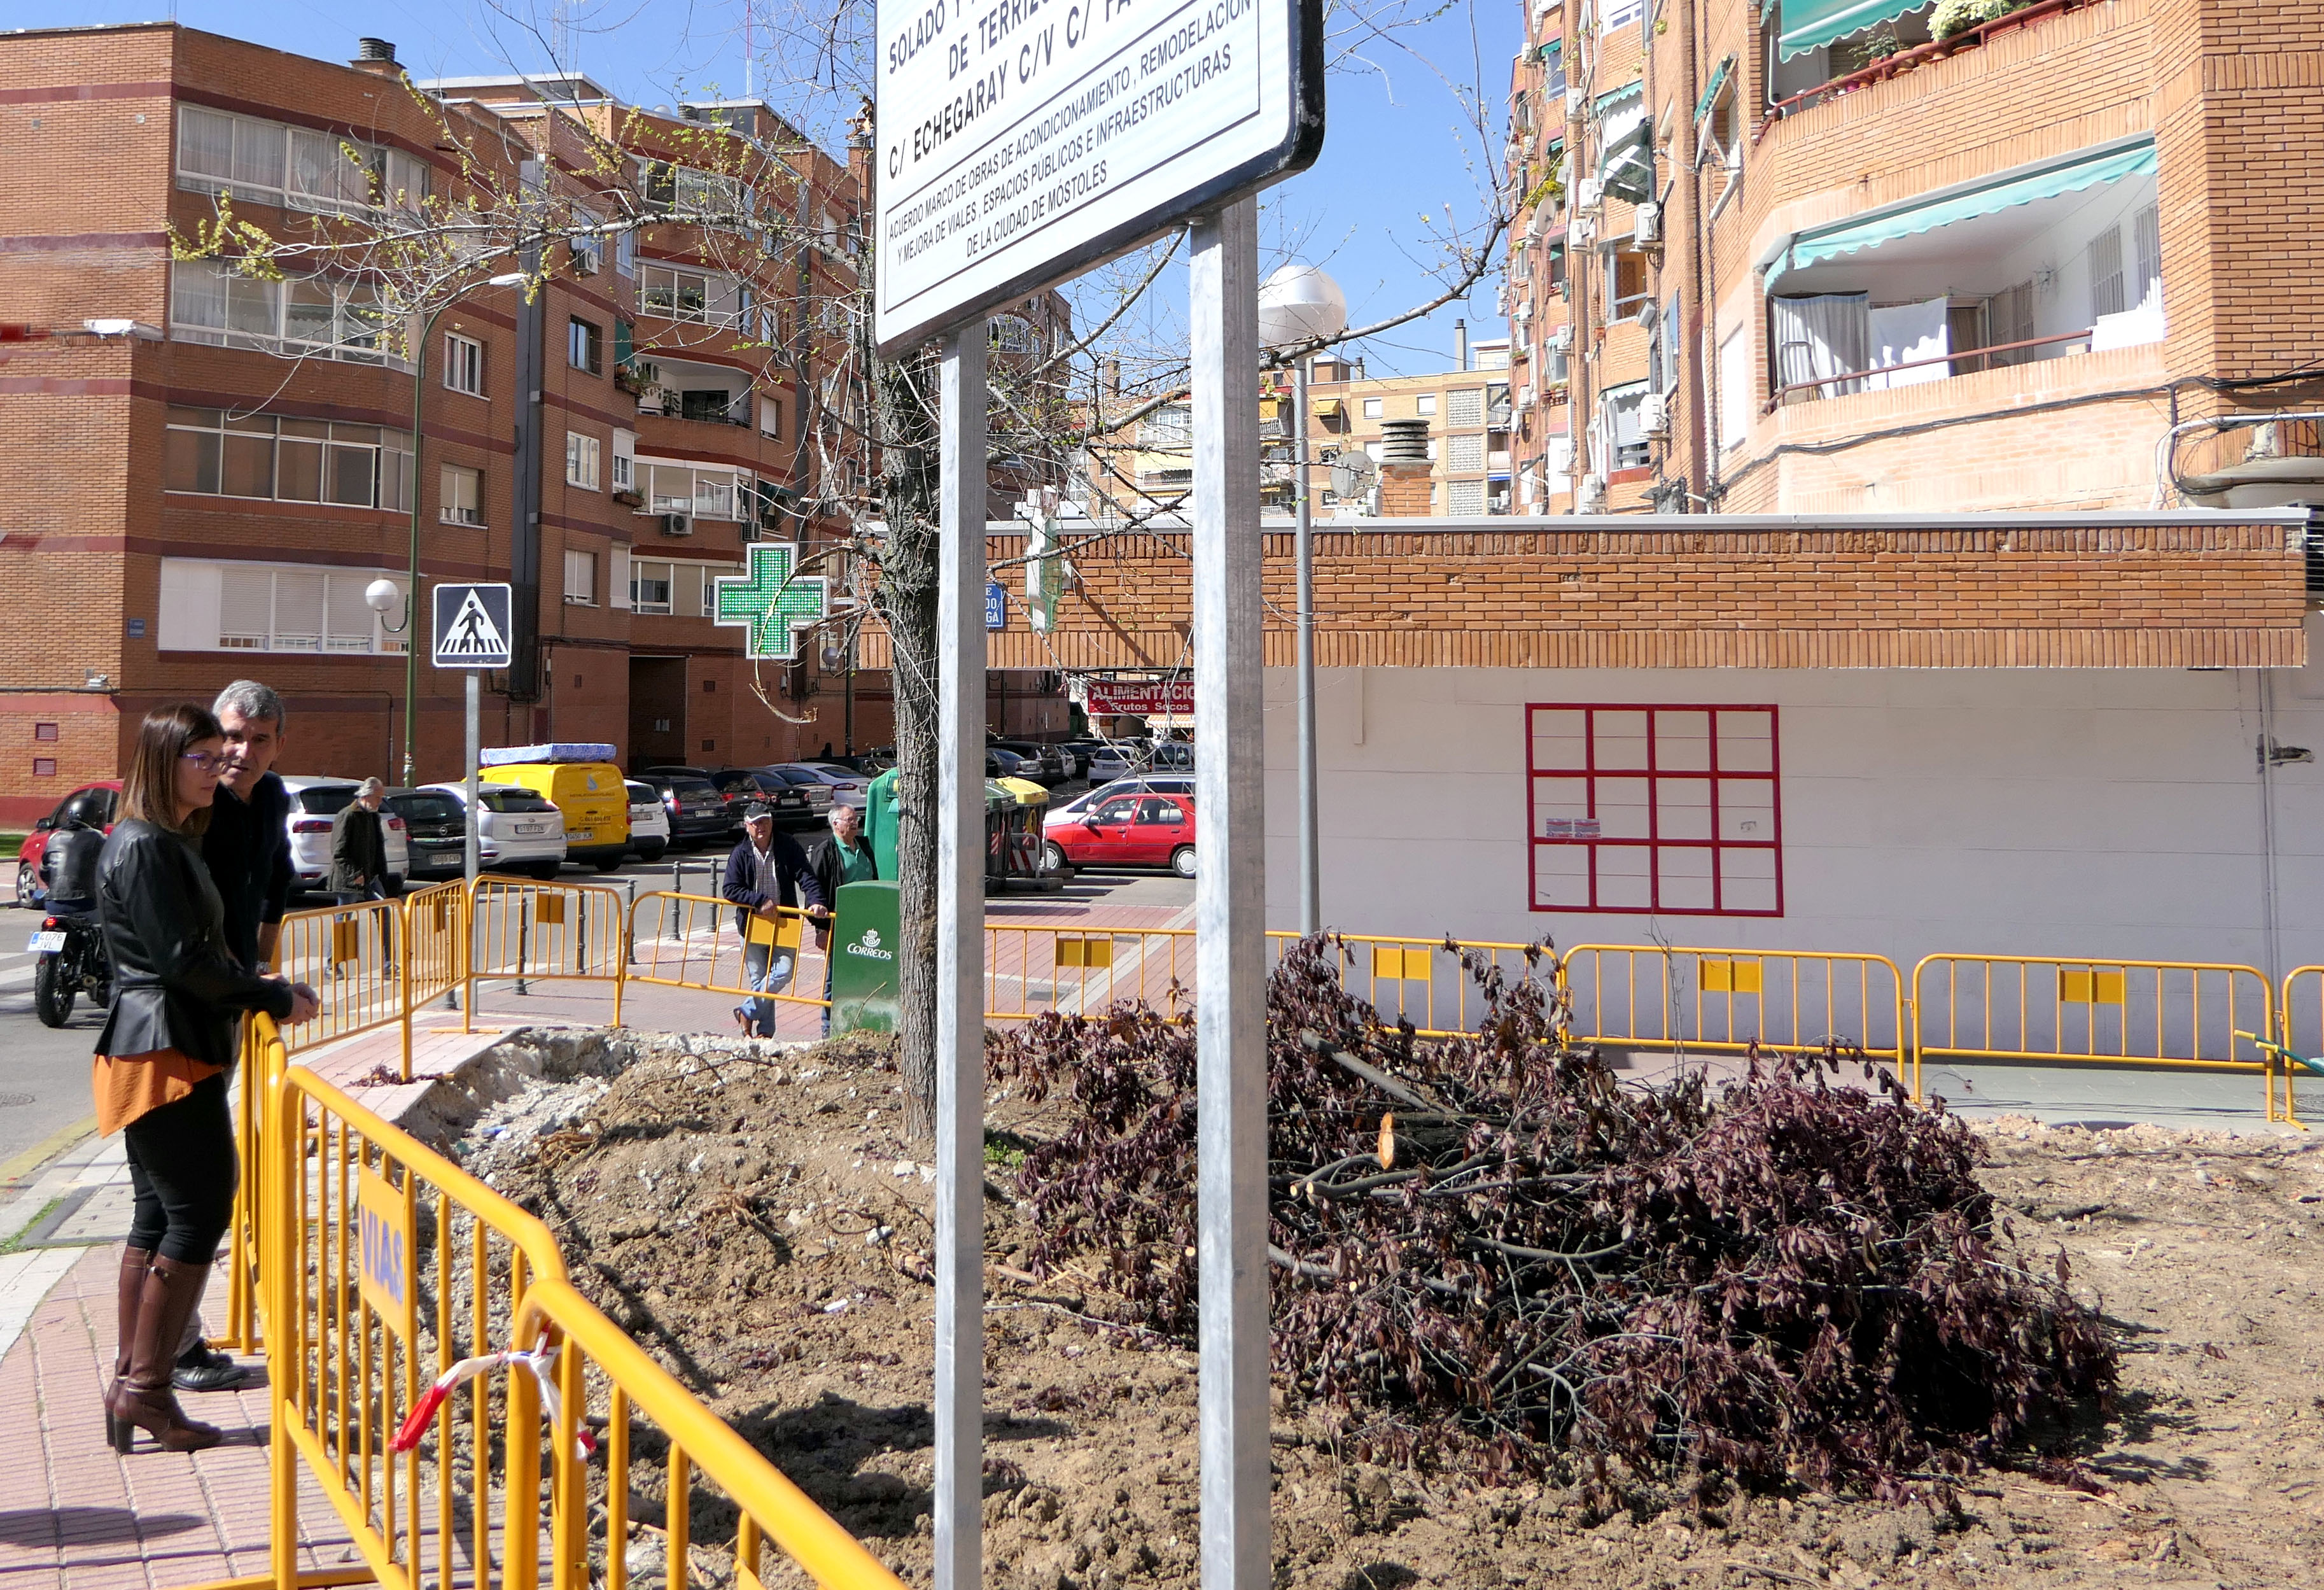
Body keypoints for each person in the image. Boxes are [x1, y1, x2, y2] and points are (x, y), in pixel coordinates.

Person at [94, 705, 316, 1454]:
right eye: (204, 756)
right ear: (164, 761)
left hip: (163, 1043)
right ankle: (146, 1389)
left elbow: (197, 949)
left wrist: (257, 984)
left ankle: (134, 1383)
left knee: (160, 1216)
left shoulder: (160, 840)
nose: (218, 767)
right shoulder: (146, 845)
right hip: (164, 1048)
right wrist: (270, 997)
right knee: (196, 1212)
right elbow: (181, 961)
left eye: (222, 754)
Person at [169, 680, 295, 1395]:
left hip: (232, 1002)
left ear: (279, 745)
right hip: (181, 1014)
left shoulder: (270, 799)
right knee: (185, 1193)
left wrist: (262, 968)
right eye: (232, 736)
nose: (242, 752)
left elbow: (276, 880)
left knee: (199, 1185)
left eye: (259, 739)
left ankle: (164, 1350)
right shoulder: (190, 807)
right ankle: (170, 1350)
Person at [720, 803, 823, 1038]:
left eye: (765, 821)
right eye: (756, 823)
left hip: (784, 923)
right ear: (747, 826)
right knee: (759, 978)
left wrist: (816, 900)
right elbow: (730, 889)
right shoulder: (741, 853)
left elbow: (806, 875)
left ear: (772, 822)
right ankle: (766, 1033)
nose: (761, 827)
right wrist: (759, 900)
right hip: (753, 924)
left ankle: (746, 1011)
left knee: (784, 972)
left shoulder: (787, 845)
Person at [804, 803, 877, 1036]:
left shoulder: (864, 845)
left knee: (864, 973)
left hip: (866, 924)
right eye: (850, 820)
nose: (855, 823)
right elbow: (815, 890)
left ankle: (858, 1022)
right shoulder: (826, 851)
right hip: (839, 923)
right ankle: (828, 1028)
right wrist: (821, 929)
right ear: (836, 824)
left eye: (856, 819)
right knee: (835, 976)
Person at [329, 778, 389, 905]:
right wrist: (355, 874)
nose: (380, 802)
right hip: (349, 879)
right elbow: (339, 852)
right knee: (345, 915)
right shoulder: (348, 815)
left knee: (384, 910)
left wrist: (381, 872)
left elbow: (378, 847)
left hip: (370, 876)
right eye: (377, 798)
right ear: (366, 796)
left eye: (382, 798)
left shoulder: (373, 815)